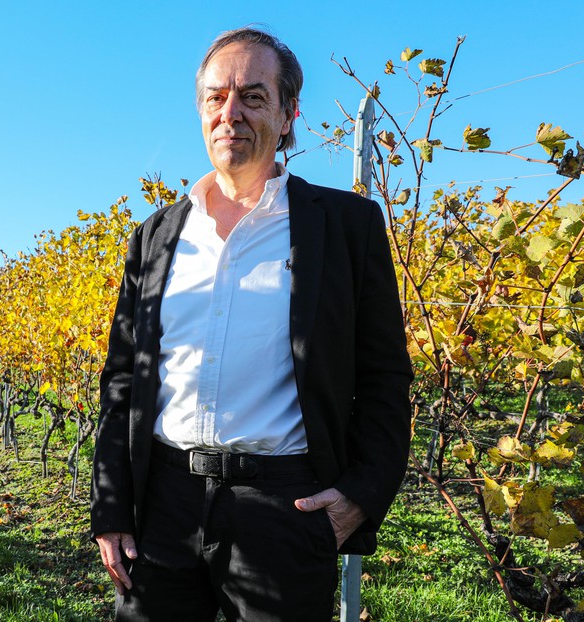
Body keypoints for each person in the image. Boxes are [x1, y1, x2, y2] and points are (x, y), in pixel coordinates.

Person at [90, 26, 413, 621]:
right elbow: (122, 380)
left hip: (283, 511)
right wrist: (110, 507)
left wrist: (359, 498)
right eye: (216, 97)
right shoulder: (156, 236)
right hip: (162, 504)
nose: (230, 113)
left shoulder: (347, 227)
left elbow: (385, 378)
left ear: (288, 115)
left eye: (253, 97)